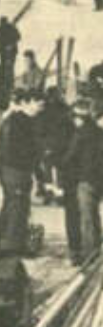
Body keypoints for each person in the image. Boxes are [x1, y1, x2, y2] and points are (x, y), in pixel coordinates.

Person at [0, 89, 44, 254]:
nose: (40, 109)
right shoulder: (16, 122)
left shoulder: (23, 120)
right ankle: (11, 246)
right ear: (26, 102)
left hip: (17, 170)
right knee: (16, 207)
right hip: (15, 170)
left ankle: (6, 240)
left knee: (16, 206)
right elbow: (9, 149)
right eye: (38, 105)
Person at [61, 100, 103, 265]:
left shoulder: (80, 134)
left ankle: (91, 256)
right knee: (94, 217)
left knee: (87, 219)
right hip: (99, 179)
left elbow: (70, 157)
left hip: (86, 180)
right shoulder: (99, 132)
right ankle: (97, 251)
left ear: (78, 118)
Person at [0, 16, 21, 90]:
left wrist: (11, 44)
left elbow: (18, 37)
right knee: (5, 67)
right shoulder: (2, 28)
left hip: (10, 51)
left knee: (9, 67)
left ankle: (8, 84)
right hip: (4, 51)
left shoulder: (10, 28)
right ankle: (4, 84)